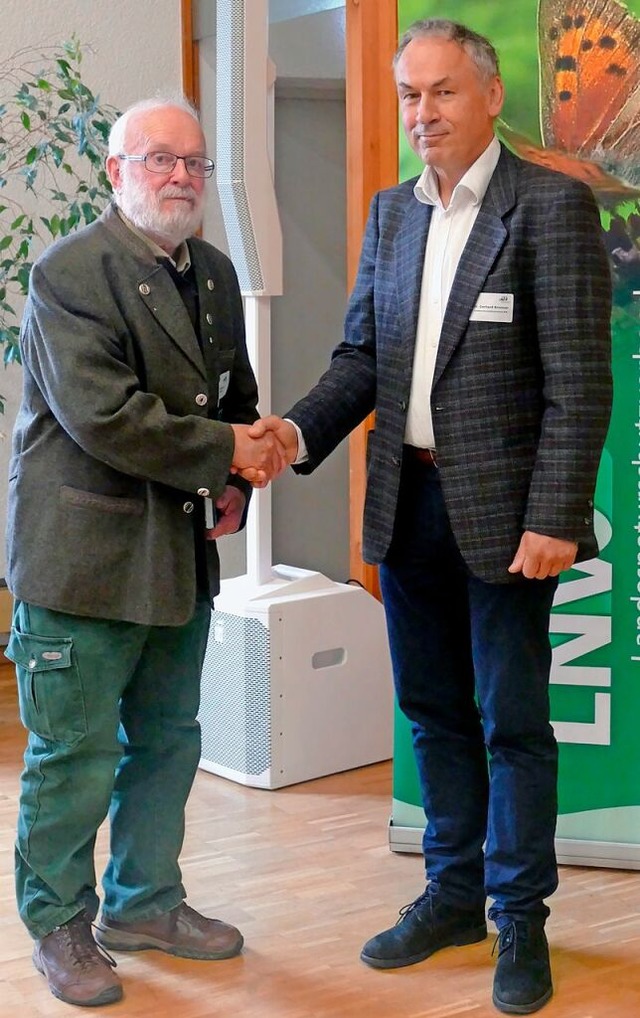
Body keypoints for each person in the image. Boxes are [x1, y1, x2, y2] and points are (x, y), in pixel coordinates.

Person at [249, 19, 612, 1016]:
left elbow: (579, 385)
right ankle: (452, 896)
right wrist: (292, 430)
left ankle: (521, 919)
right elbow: (361, 357)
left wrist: (555, 514)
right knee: (433, 716)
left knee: (514, 726)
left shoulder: (550, 207)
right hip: (406, 503)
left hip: (508, 517)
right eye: (410, 95)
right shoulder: (390, 216)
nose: (421, 115)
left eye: (441, 93)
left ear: (491, 96)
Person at [5, 96, 285, 1008]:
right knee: (75, 755)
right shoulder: (69, 271)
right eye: (158, 159)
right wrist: (228, 453)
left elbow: (232, 399)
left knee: (167, 740)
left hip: (175, 559)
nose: (179, 177)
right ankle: (60, 924)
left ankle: (145, 904)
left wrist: (239, 479)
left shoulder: (210, 270)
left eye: (194, 164)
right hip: (81, 561)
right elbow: (103, 419)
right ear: (116, 171)